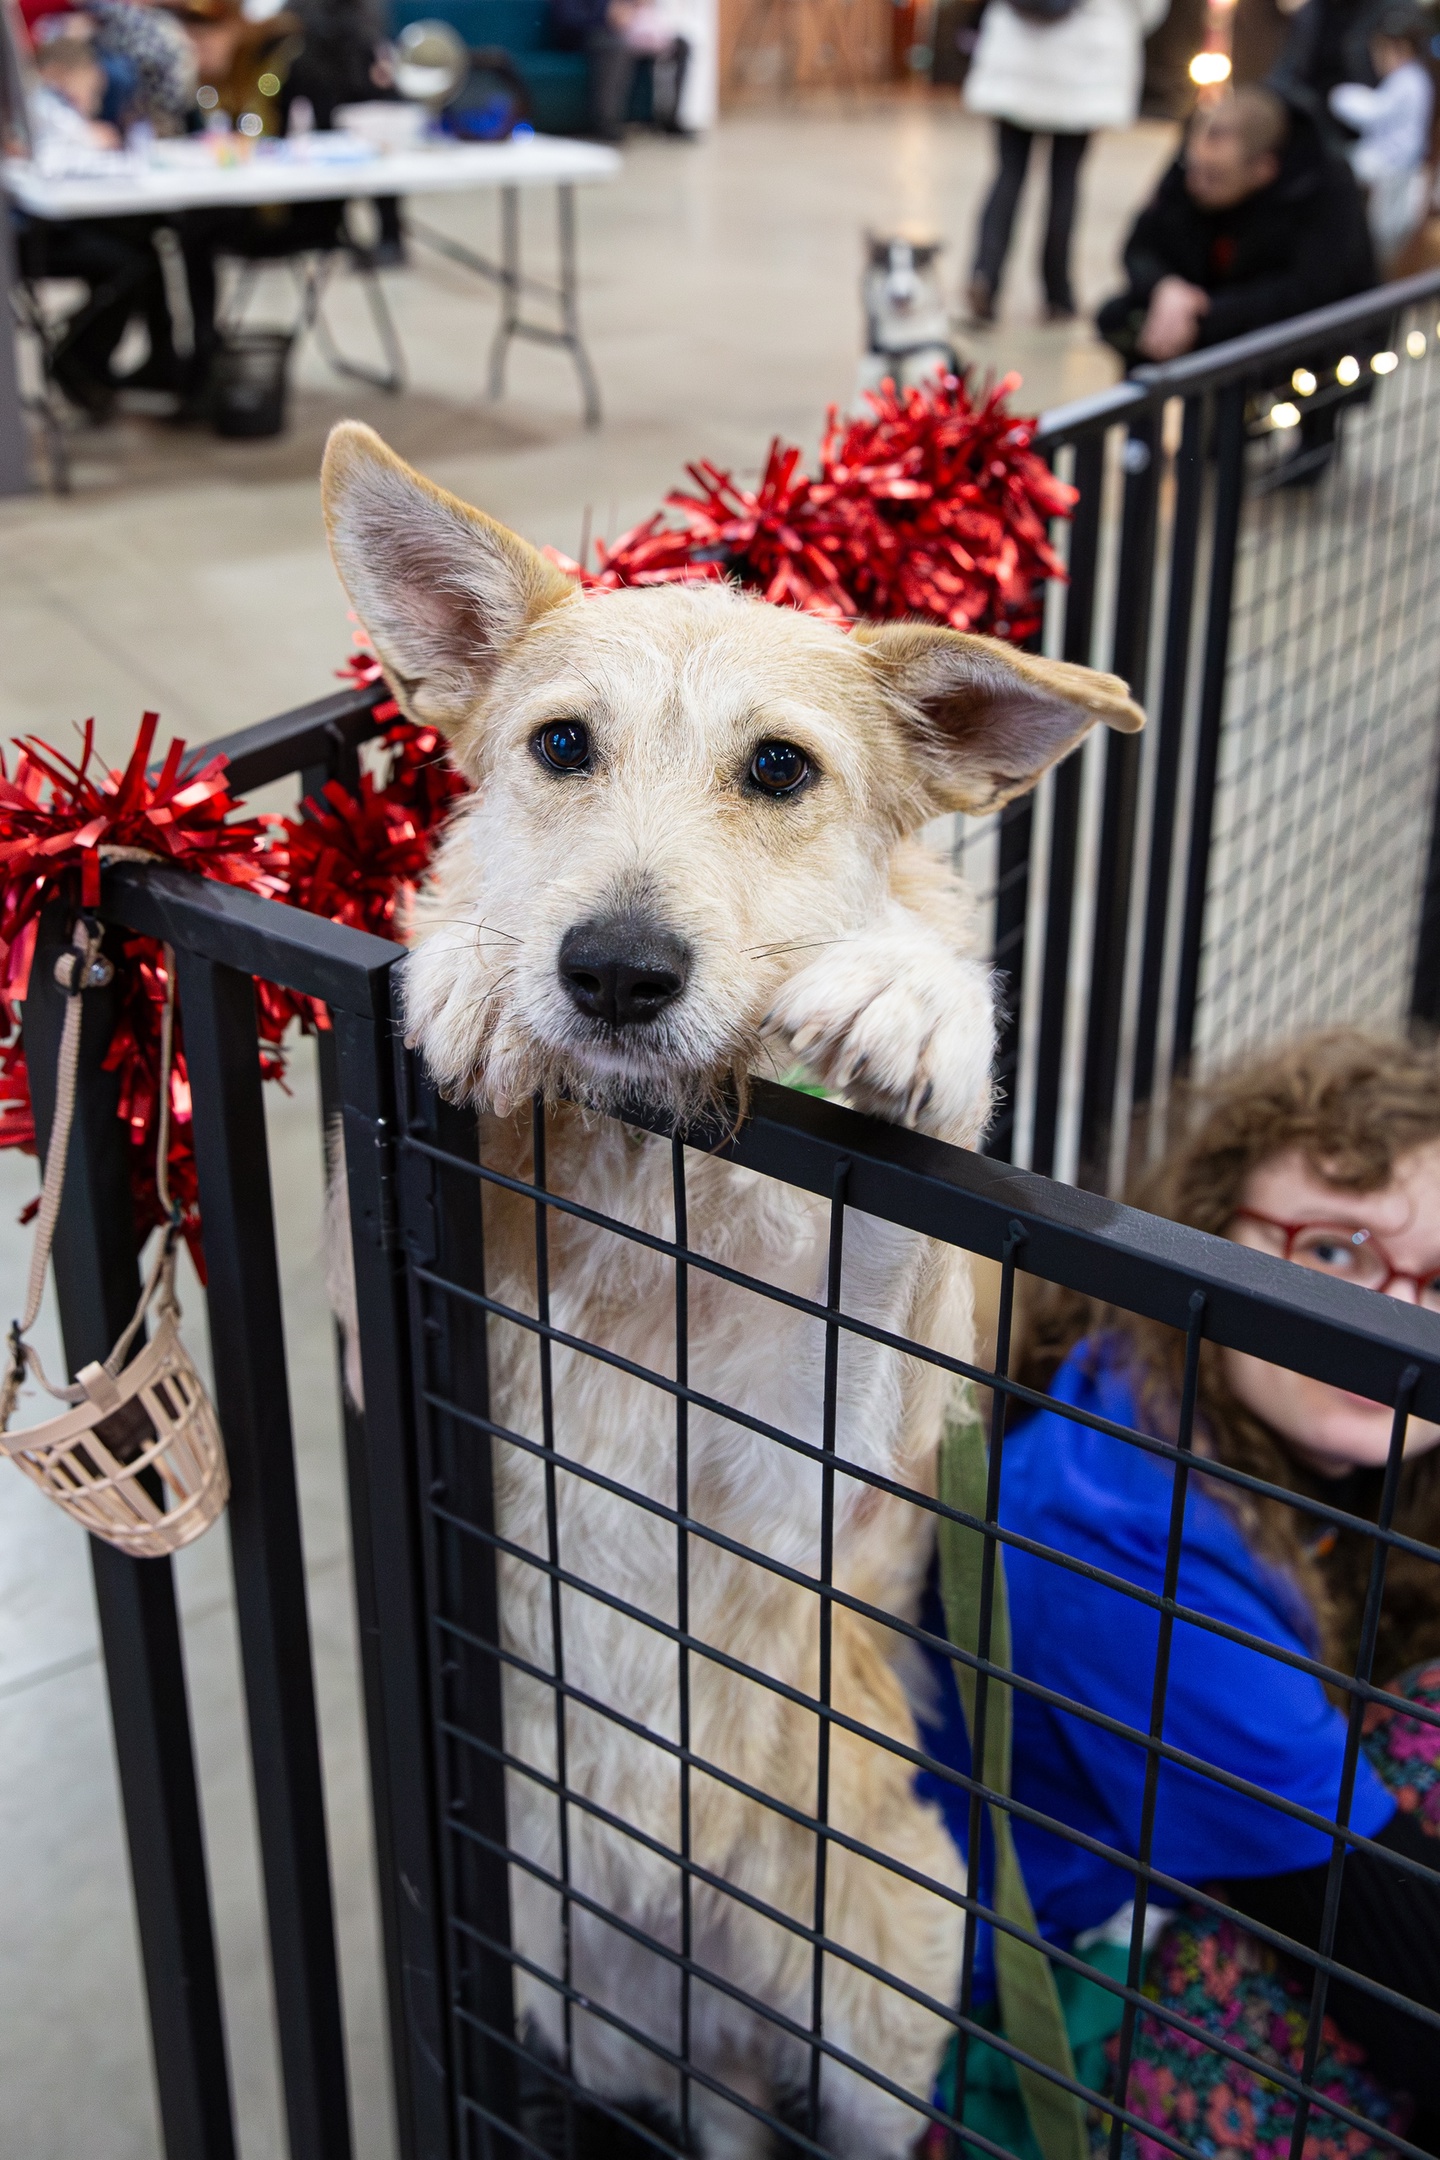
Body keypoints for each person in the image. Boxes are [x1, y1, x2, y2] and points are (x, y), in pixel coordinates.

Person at [917, 1031, 1440, 2156]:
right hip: (1032, 2007)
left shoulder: (1240, 1412)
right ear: (1214, 1235)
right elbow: (1400, 1968)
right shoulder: (1125, 1524)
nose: (1397, 1322)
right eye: (1337, 1253)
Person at [1096, 85, 1375, 364]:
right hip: (1195, 306)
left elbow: (1311, 289)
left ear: (1264, 171)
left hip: (1291, 339)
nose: (1194, 185)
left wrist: (1207, 309)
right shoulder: (1193, 162)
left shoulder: (1324, 187)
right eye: (1193, 168)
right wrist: (1166, 288)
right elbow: (1139, 245)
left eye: (1214, 177)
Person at [961, 0, 1169, 327]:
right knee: (1065, 183)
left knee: (1008, 174)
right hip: (1086, 58)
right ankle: (1058, 293)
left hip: (1017, 51)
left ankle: (985, 274)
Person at [19, 31, 181, 408]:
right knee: (132, 262)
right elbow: (51, 161)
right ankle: (76, 361)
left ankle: (104, 364)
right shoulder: (43, 108)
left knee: (142, 245)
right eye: (88, 93)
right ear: (57, 76)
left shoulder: (50, 110)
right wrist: (94, 142)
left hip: (51, 223)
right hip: (33, 232)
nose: (91, 105)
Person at [1330, 4, 1435, 264]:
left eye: (1380, 52)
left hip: (1395, 166)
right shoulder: (1409, 79)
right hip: (1391, 162)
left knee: (1385, 241)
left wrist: (1341, 96)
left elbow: (1376, 112)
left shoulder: (1409, 79)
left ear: (1398, 48)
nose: (1377, 60)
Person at [547, 0, 689, 140]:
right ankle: (606, 122)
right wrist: (606, 15)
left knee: (681, 45)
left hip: (628, 32)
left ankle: (670, 119)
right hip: (588, 35)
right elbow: (568, 20)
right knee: (617, 46)